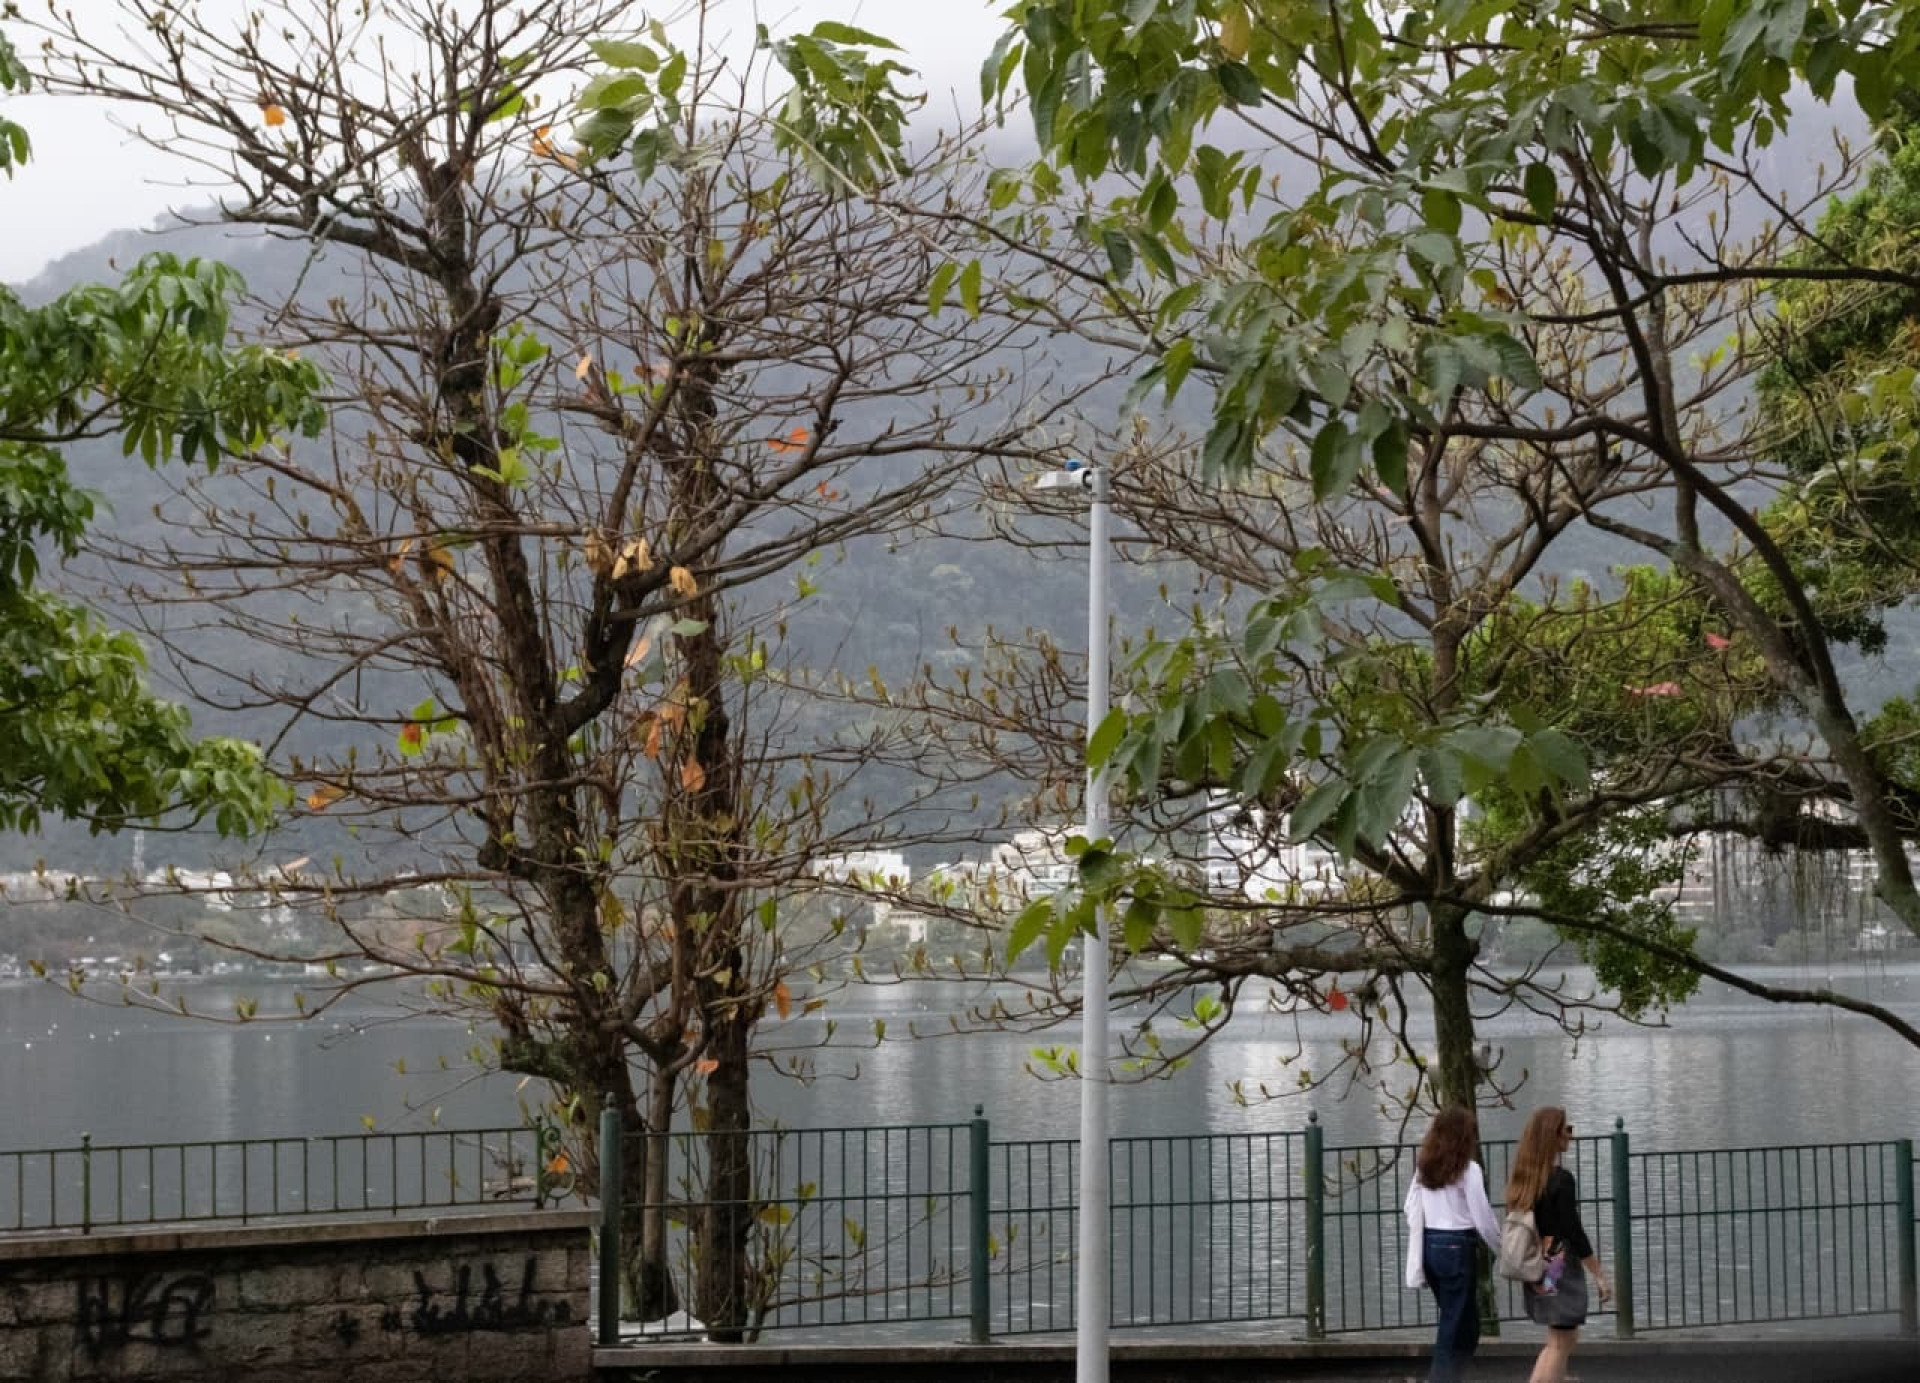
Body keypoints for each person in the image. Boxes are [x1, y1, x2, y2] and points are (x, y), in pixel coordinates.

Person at [1505, 1106, 1613, 1383]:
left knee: (1564, 1334)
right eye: (1567, 1129)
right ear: (1553, 1135)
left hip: (1539, 1260)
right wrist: (1598, 1273)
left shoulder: (1526, 1179)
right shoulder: (1561, 1180)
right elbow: (1573, 1230)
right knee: (1559, 1340)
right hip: (1557, 1262)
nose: (1570, 1136)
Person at [1402, 1106, 1502, 1383]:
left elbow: (1409, 1205)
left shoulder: (1425, 1166)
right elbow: (1482, 1216)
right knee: (1454, 1321)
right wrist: (1501, 1248)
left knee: (1464, 1320)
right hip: (1457, 1245)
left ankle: (1452, 1375)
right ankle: (1440, 1378)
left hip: (1431, 1245)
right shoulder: (1469, 1171)